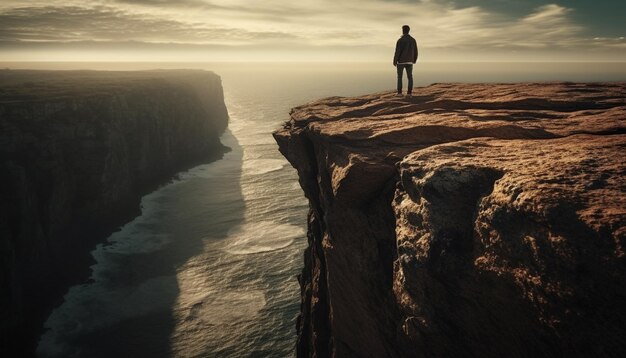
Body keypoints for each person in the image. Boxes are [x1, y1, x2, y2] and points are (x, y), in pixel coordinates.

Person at [393, 25, 418, 97]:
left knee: (400, 77)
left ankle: (399, 93)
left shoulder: (400, 40)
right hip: (410, 61)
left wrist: (395, 61)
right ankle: (409, 93)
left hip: (401, 61)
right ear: (408, 30)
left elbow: (397, 51)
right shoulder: (413, 40)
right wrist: (414, 59)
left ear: (403, 30)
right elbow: (416, 51)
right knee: (410, 77)